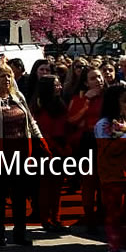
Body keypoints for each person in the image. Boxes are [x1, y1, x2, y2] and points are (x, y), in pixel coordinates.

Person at [0, 64, 46, 246]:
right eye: (2, 76)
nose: (6, 79)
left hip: (22, 157)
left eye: (9, 76)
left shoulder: (18, 96)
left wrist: (41, 140)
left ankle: (20, 233)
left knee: (20, 198)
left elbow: (30, 121)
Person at [68, 66, 106, 233]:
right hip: (88, 143)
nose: (98, 80)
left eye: (99, 77)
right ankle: (90, 219)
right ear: (85, 82)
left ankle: (104, 216)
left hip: (108, 143)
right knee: (89, 182)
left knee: (106, 183)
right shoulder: (79, 98)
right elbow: (72, 120)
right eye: (93, 78)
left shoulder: (110, 96)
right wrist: (86, 102)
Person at [32, 75, 70, 233]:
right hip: (46, 151)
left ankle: (56, 217)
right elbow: (44, 132)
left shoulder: (60, 104)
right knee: (46, 187)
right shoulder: (39, 107)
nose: (60, 87)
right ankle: (45, 220)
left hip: (60, 148)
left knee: (57, 187)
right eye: (56, 85)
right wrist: (56, 149)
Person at [95, 84, 126, 252]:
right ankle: (115, 245)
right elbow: (110, 150)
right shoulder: (104, 124)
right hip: (112, 176)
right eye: (124, 101)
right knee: (115, 214)